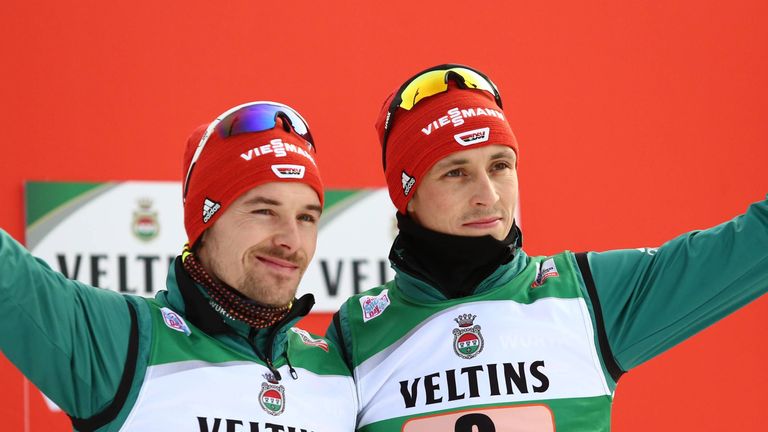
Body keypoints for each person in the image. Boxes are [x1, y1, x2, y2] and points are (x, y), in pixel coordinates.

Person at [326, 64, 768, 431]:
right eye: (456, 173)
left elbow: (755, 243)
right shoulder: (354, 334)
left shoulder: (587, 295)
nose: (489, 195)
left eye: (501, 166)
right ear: (408, 195)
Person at [0, 101, 357, 431]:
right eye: (264, 211)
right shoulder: (123, 339)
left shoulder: (337, 369)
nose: (291, 240)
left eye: (307, 217)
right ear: (206, 222)